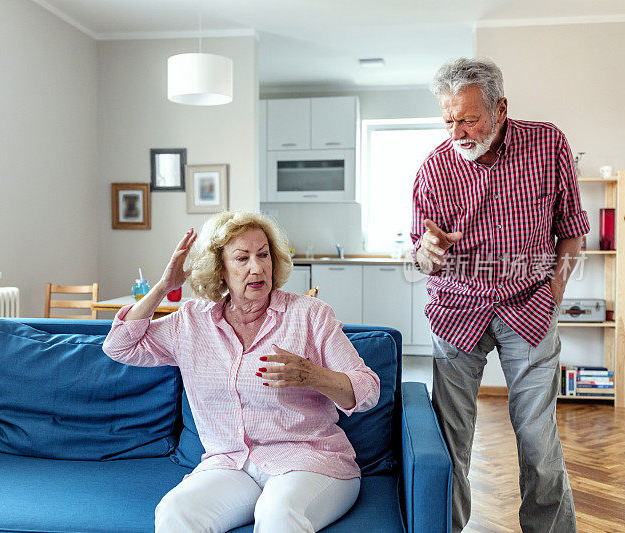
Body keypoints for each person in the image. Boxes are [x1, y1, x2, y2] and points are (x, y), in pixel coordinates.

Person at [103, 210, 380, 532]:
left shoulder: (309, 315)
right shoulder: (192, 321)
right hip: (231, 464)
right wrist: (164, 287)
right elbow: (119, 346)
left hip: (309, 461)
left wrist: (312, 375)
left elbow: (368, 390)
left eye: (263, 255)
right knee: (175, 511)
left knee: (278, 514)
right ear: (220, 269)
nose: (257, 267)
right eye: (242, 258)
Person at [411, 57, 588, 533]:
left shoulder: (547, 143)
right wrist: (427, 251)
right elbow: (422, 260)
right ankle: (446, 527)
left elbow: (571, 231)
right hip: (457, 309)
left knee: (537, 438)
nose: (457, 131)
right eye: (448, 119)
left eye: (468, 118)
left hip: (529, 304)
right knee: (452, 439)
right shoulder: (433, 170)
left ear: (500, 107)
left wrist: (554, 292)